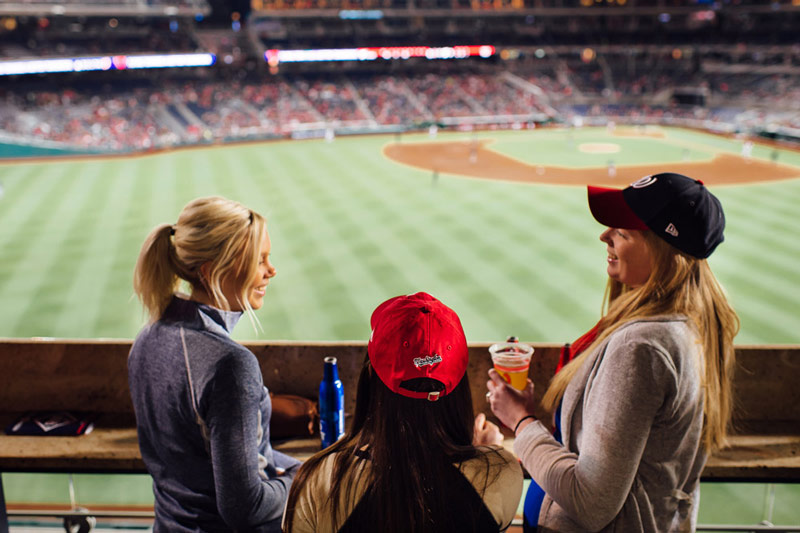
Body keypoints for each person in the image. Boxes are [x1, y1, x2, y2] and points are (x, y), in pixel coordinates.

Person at [487, 173, 739, 533]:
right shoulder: (692, 325)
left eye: (622, 232)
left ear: (662, 249)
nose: (604, 235)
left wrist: (521, 421)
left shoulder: (642, 348)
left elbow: (591, 503)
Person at [284, 292, 523, 533]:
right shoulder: (501, 472)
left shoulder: (318, 479)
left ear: (370, 381)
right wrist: (487, 454)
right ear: (460, 388)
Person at [128, 196, 300, 532]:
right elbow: (245, 507)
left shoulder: (146, 339)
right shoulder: (231, 366)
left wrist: (307, 468)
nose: (271, 270)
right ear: (212, 272)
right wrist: (308, 481)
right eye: (259, 260)